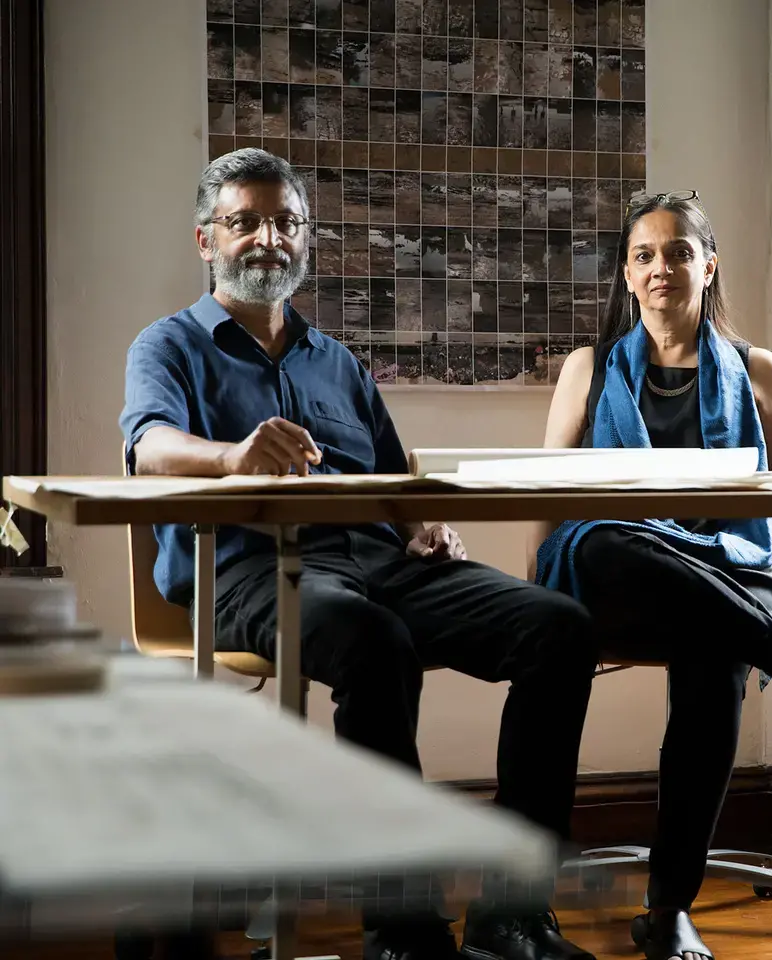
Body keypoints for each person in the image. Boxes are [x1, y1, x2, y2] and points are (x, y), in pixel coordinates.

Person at [119, 148, 601, 960]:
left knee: (561, 629)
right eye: (245, 222)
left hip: (383, 565)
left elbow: (394, 480)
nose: (267, 239)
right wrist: (232, 456)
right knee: (374, 646)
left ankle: (511, 911)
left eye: (286, 223)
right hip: (247, 570)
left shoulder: (336, 361)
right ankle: (405, 932)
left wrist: (421, 524)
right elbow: (150, 450)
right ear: (207, 240)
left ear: (305, 241)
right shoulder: (166, 347)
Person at [529, 190, 772, 960]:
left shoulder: (758, 371)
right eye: (645, 255)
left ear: (707, 264)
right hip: (619, 580)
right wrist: (534, 585)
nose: (662, 268)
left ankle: (667, 907)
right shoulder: (587, 369)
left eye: (679, 252)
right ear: (627, 275)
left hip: (731, 577)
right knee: (602, 540)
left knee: (716, 649)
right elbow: (549, 498)